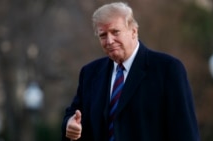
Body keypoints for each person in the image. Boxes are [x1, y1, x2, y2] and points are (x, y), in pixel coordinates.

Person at [61, 2, 200, 141]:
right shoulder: (90, 73)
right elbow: (74, 115)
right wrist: (70, 125)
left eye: (115, 32)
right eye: (103, 35)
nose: (109, 41)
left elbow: (185, 132)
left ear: (134, 31)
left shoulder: (167, 69)